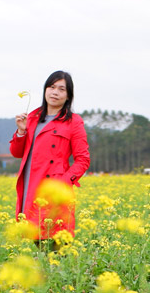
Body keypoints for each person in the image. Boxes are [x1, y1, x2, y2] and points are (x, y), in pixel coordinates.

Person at [10, 70, 90, 241]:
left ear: (68, 96)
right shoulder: (31, 118)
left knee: (55, 245)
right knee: (30, 243)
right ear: (45, 90)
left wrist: (62, 184)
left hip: (54, 191)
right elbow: (17, 153)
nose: (55, 92)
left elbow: (83, 159)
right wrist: (21, 131)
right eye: (52, 87)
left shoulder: (73, 121)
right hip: (29, 189)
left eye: (61, 89)